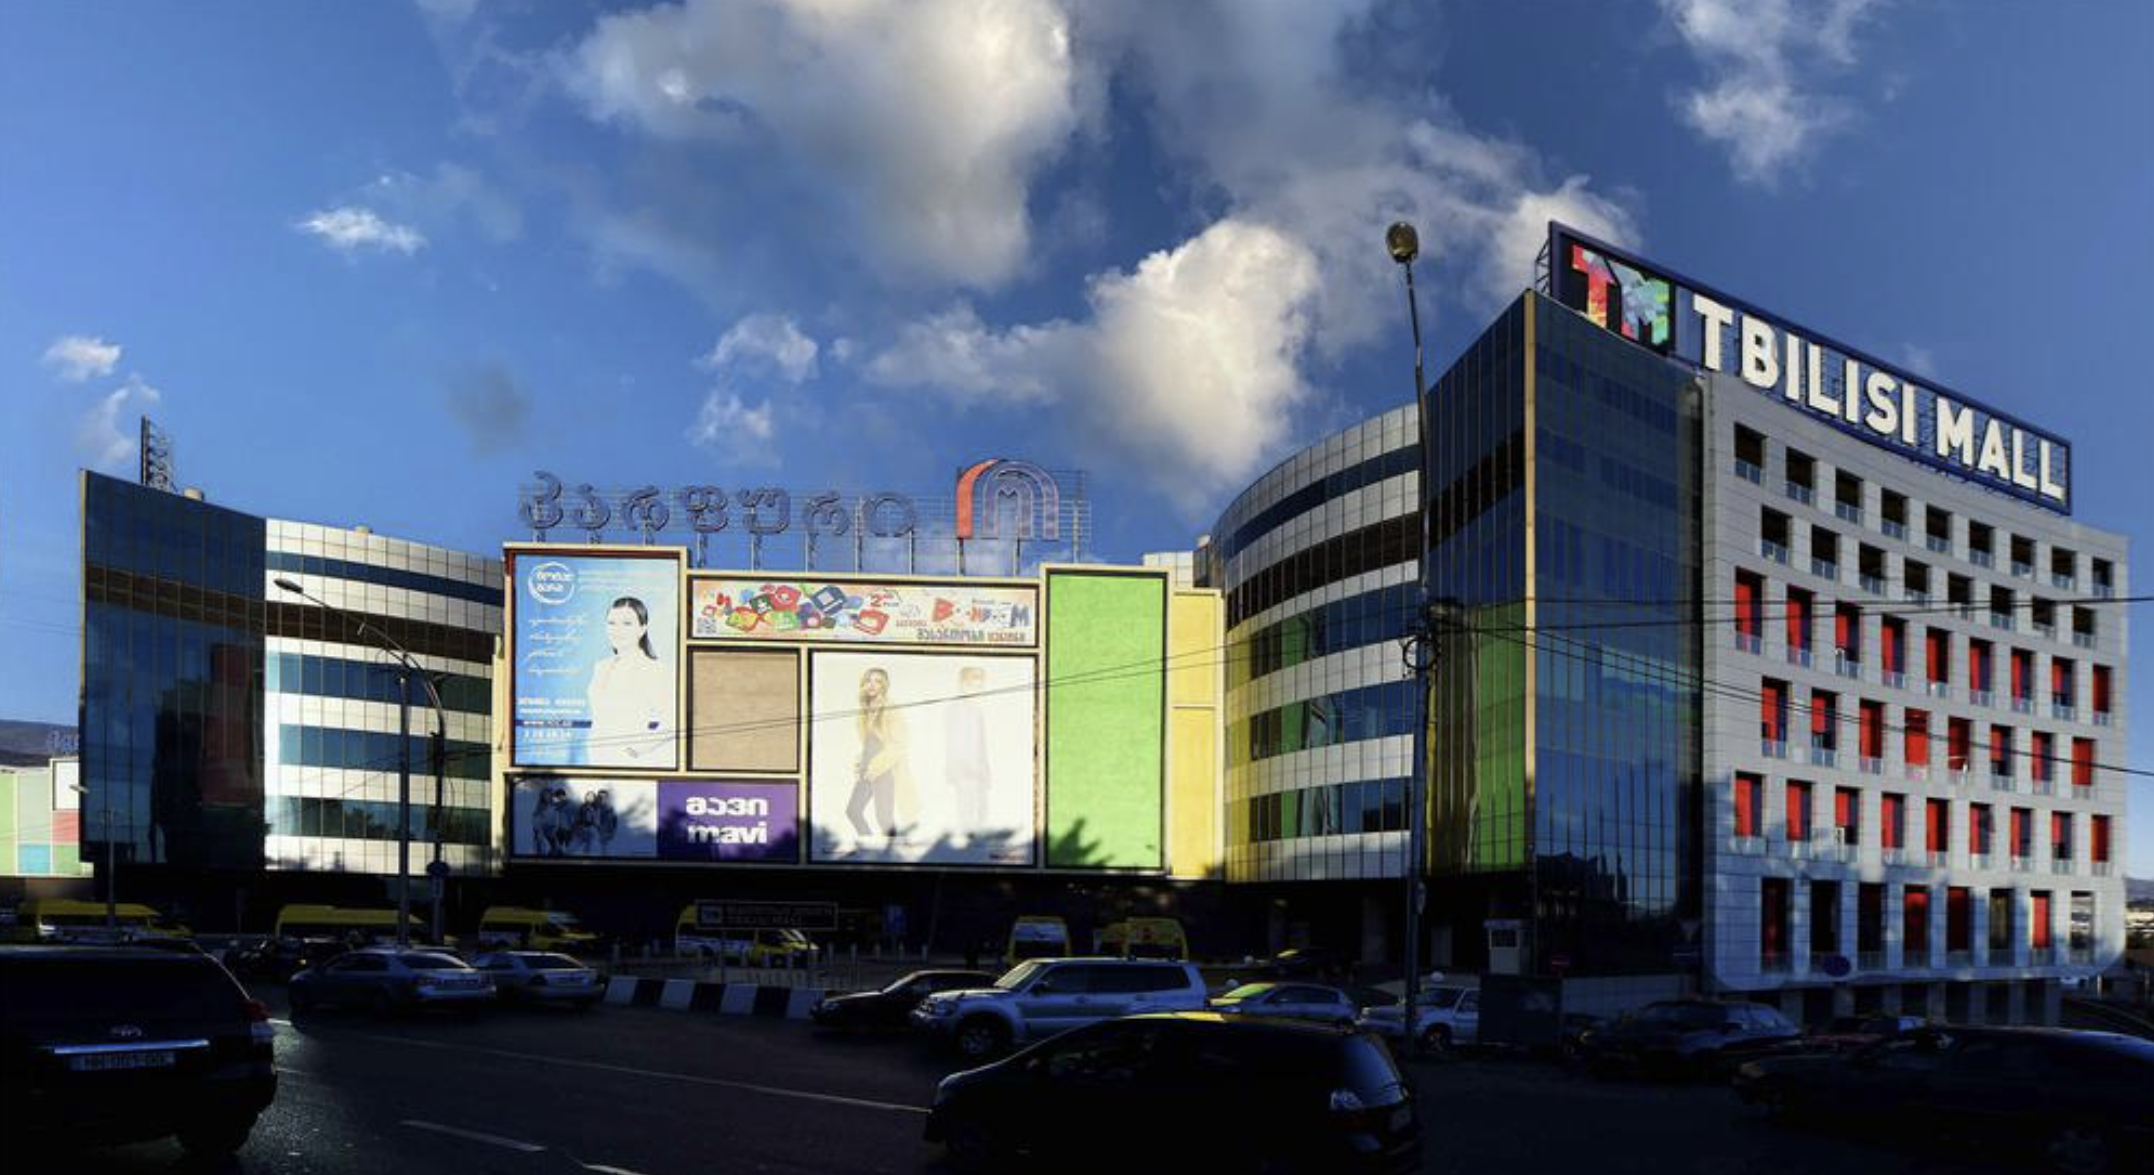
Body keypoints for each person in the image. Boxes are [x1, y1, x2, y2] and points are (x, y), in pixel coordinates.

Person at [588, 596, 673, 766]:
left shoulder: (654, 669)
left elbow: (672, 722)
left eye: (626, 623)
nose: (617, 630)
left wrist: (636, 750)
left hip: (630, 762)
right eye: (611, 623)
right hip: (597, 760)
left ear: (642, 629)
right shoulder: (601, 667)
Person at [841, 667, 914, 851]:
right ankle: (869, 844)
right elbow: (868, 742)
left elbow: (898, 744)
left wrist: (877, 766)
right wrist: (861, 760)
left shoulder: (891, 709)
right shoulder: (864, 711)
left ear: (884, 686)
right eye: (868, 680)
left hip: (884, 769)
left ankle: (901, 850)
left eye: (878, 681)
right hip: (867, 769)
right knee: (853, 811)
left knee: (884, 818)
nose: (872, 685)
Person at [943, 665, 992, 847]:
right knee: (967, 811)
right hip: (964, 769)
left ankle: (974, 844)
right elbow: (955, 743)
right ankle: (970, 847)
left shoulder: (977, 710)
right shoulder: (955, 709)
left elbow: (981, 744)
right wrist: (968, 767)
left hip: (978, 769)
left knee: (981, 810)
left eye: (979, 685)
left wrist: (985, 769)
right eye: (971, 684)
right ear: (962, 684)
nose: (975, 689)